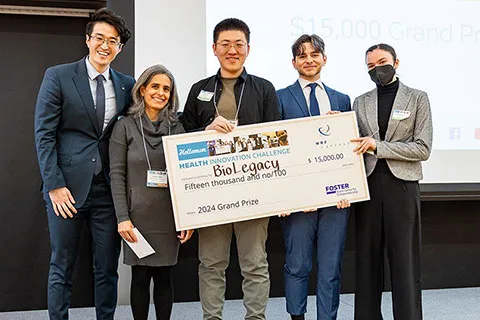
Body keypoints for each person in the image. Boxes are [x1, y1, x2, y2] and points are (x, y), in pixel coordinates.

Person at [34, 8, 134, 320]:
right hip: (66, 190)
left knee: (107, 268)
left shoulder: (127, 84)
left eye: (113, 41)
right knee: (61, 264)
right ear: (88, 40)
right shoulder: (59, 76)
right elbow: (44, 134)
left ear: (119, 48)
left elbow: (148, 123)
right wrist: (54, 185)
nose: (105, 45)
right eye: (100, 38)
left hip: (107, 190)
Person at [181, 18, 280, 320]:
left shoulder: (264, 89)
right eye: (225, 44)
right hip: (211, 194)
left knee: (255, 264)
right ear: (214, 48)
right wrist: (205, 130)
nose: (232, 50)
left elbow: (277, 139)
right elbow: (182, 137)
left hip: (254, 192)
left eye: (238, 44)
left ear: (248, 49)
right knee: (211, 264)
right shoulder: (200, 89)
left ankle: (256, 318)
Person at [351, 44, 432, 320]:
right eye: (371, 66)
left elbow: (423, 148)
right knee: (366, 262)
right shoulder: (360, 102)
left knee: (405, 263)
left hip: (402, 187)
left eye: (382, 62)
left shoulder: (418, 98)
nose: (377, 69)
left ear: (397, 62)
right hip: (369, 187)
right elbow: (354, 145)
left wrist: (379, 146)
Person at [109, 65, 194, 320]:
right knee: (140, 277)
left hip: (167, 217)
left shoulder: (177, 128)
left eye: (166, 88)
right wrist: (122, 217)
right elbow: (117, 175)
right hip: (136, 218)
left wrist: (187, 218)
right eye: (155, 86)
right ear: (143, 89)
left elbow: (186, 177)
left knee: (165, 277)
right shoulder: (124, 126)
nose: (161, 93)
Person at [276, 34, 351, 320]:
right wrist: (286, 195)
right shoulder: (280, 97)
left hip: (336, 200)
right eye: (302, 55)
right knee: (298, 264)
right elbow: (276, 149)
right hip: (297, 199)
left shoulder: (342, 99)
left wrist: (349, 188)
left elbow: (349, 150)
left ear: (324, 58)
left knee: (331, 267)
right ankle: (297, 316)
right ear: (293, 62)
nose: (309, 59)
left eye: (314, 54)